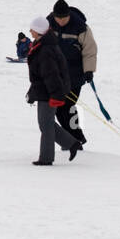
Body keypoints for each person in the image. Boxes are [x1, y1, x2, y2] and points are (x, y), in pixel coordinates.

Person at [26, 16, 82, 165]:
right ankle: (72, 144)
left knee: (45, 124)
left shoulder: (46, 49)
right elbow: (39, 75)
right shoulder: (41, 45)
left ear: (38, 31)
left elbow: (52, 75)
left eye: (32, 29)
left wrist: (56, 95)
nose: (30, 31)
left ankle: (46, 158)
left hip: (50, 92)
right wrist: (32, 93)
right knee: (46, 123)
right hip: (46, 91)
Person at [46, 0, 98, 146]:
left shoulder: (81, 28)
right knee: (57, 110)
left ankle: (76, 139)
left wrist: (89, 70)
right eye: (58, 18)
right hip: (55, 76)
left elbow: (90, 51)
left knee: (68, 107)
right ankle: (72, 140)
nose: (61, 21)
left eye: (64, 18)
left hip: (74, 76)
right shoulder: (48, 24)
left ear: (68, 15)